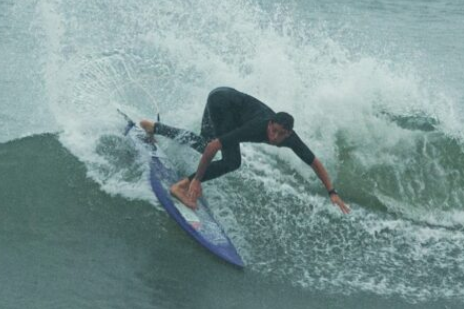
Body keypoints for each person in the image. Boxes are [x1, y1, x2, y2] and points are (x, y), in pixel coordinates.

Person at [140, 87, 350, 214]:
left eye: (280, 135)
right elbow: (216, 147)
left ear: (288, 135)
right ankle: (181, 186)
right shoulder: (257, 126)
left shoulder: (290, 139)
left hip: (221, 94)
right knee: (231, 160)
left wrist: (332, 192)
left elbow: (314, 162)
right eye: (273, 131)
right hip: (222, 103)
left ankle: (154, 127)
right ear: (270, 124)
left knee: (206, 144)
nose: (274, 138)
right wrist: (196, 180)